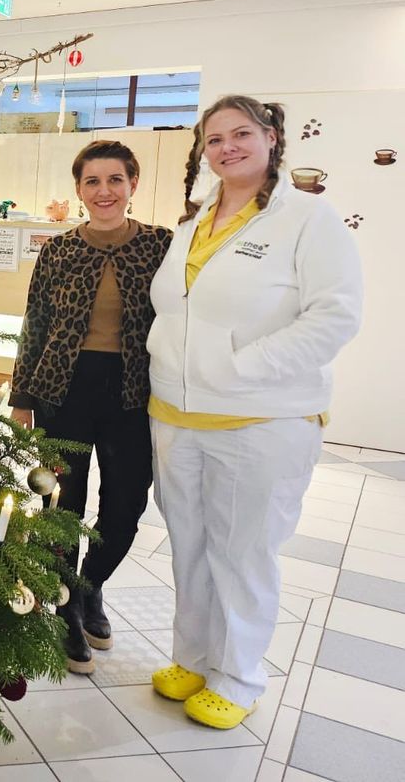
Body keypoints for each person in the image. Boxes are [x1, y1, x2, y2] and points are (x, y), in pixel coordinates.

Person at [146, 96, 362, 728]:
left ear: (271, 138)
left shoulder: (309, 220)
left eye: (241, 134)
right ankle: (194, 656)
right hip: (177, 415)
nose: (227, 147)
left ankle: (238, 677)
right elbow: (176, 313)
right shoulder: (195, 220)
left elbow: (335, 316)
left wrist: (244, 368)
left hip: (261, 420)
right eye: (214, 139)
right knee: (189, 546)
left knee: (244, 553)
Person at [11, 140, 172, 675]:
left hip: (134, 392)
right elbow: (34, 325)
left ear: (132, 185)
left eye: (115, 180)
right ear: (78, 190)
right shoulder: (58, 250)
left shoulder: (159, 246)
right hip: (64, 390)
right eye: (92, 182)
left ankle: (89, 586)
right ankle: (65, 608)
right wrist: (21, 400)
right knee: (63, 506)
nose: (104, 191)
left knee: (126, 504)